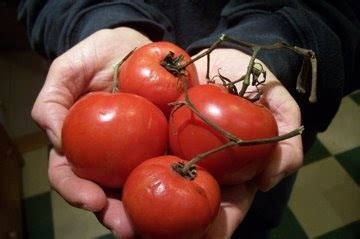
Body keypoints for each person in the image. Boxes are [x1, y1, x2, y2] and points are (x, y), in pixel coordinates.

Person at [18, 0, 359, 238]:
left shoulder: (249, 130)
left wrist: (286, 44)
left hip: (240, 187)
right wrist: (92, 20)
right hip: (215, 175)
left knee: (244, 225)